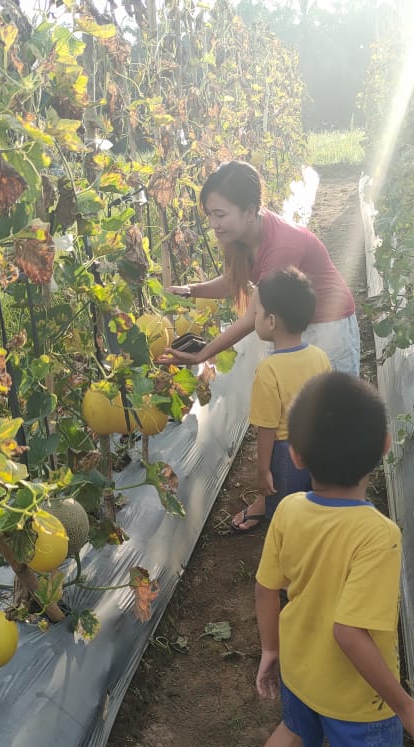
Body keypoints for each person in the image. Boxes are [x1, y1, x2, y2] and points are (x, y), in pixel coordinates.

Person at [231, 373, 414, 747]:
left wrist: (271, 650)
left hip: (300, 669)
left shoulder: (289, 510)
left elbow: (266, 587)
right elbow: (350, 632)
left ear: (295, 456)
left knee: (289, 734)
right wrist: (406, 707)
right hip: (362, 702)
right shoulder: (378, 534)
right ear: (384, 446)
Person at [161, 160, 360, 531]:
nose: (214, 224)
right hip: (296, 325)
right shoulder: (243, 239)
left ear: (250, 211)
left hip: (329, 327)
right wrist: (190, 290)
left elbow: (253, 317)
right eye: (210, 215)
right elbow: (234, 280)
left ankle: (332, 507)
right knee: (294, 417)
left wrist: (203, 353)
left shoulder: (281, 246)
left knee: (331, 420)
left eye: (220, 214)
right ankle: (280, 497)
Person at [244, 267, 331, 531]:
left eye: (256, 313)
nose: (254, 318)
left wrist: (263, 471)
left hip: (285, 456)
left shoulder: (269, 370)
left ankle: (288, 558)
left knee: (285, 514)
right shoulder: (319, 356)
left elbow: (268, 429)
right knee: (314, 507)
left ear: (271, 321)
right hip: (318, 447)